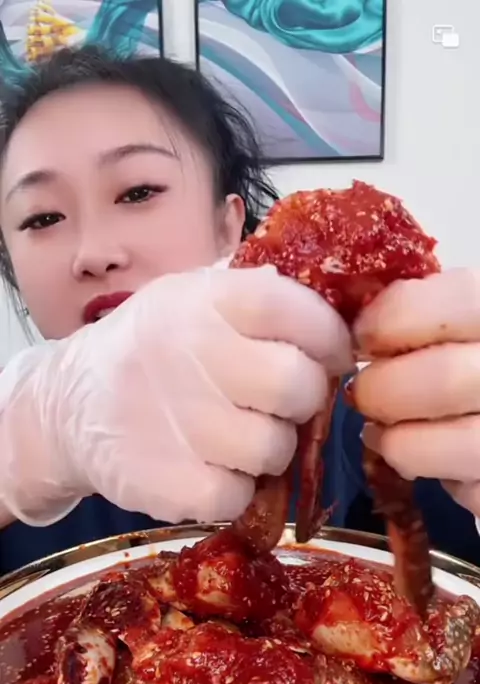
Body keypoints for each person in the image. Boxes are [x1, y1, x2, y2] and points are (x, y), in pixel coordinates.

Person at [0, 46, 478, 574]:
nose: (93, 254)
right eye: (42, 218)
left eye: (137, 192)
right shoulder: (19, 436)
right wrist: (36, 439)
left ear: (229, 225)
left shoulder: (366, 418)